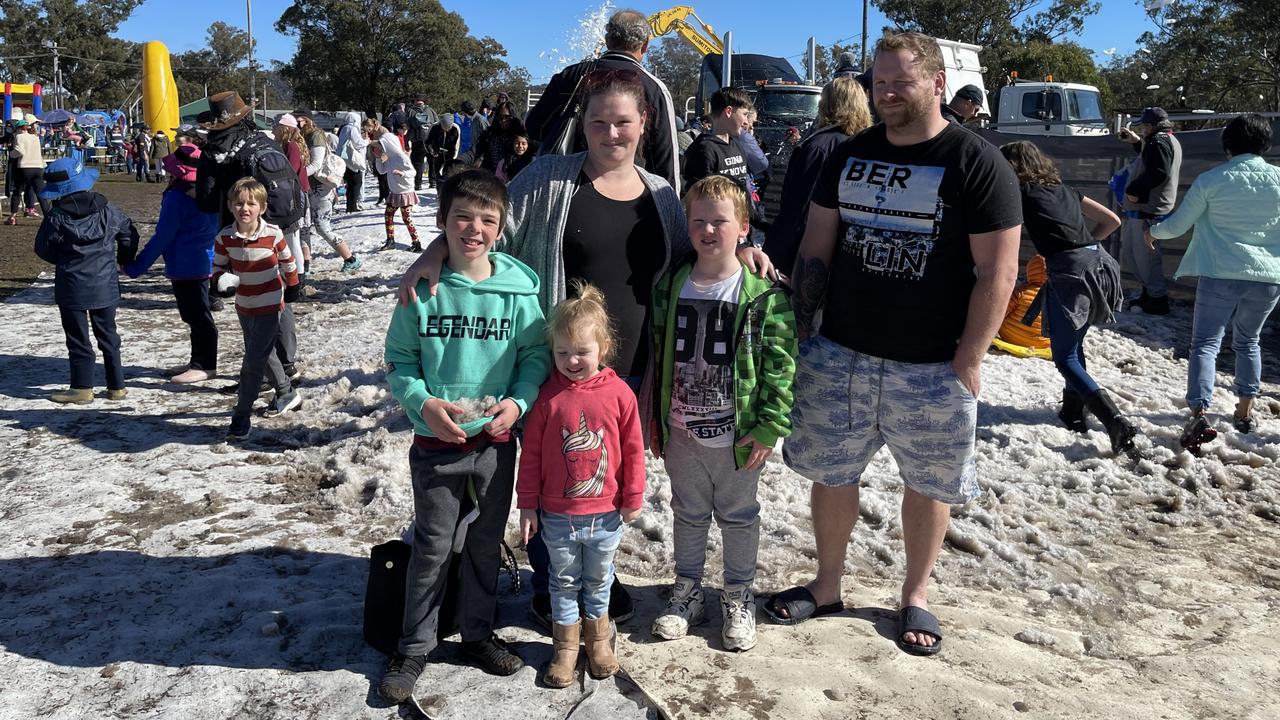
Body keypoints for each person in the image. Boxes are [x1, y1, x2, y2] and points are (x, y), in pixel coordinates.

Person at [397, 68, 775, 630]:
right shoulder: (550, 179)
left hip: (632, 368)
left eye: (622, 121)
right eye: (598, 121)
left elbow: (692, 256)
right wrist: (433, 252)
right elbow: (485, 223)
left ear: (643, 123)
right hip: (561, 364)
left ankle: (594, 575)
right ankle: (556, 583)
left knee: (603, 467)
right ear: (584, 124)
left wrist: (741, 253)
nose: (610, 133)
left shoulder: (662, 194)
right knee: (557, 468)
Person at [774, 32, 1022, 657]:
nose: (886, 93)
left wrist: (970, 356)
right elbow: (816, 247)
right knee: (832, 475)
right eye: (878, 82)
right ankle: (827, 585)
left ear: (938, 83)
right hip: (842, 353)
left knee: (930, 484)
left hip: (934, 363)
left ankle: (916, 593)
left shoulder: (975, 162)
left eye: (900, 82)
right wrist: (806, 329)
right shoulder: (848, 154)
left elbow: (999, 271)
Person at [379, 169, 550, 702]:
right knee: (431, 546)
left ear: (500, 228)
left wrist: (518, 402)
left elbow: (535, 355)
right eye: (462, 217)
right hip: (436, 444)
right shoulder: (421, 290)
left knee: (484, 543)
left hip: (496, 445)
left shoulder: (518, 292)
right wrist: (422, 404)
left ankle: (476, 632)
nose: (473, 229)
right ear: (442, 223)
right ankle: (414, 645)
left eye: (486, 220)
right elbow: (399, 360)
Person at [649, 175, 798, 653]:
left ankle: (738, 594)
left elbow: (781, 364)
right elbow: (657, 352)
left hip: (737, 433)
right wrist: (655, 415)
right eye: (699, 222)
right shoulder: (672, 283)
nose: (709, 230)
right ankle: (687, 591)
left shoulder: (762, 293)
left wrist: (769, 426)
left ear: (744, 228)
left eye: (720, 221)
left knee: (738, 515)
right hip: (682, 428)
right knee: (687, 513)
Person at [516, 281, 644, 687]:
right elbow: (532, 455)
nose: (572, 361)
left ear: (603, 349)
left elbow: (633, 448)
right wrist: (528, 504)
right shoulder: (546, 398)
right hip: (557, 515)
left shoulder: (620, 394)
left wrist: (633, 494)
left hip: (605, 513)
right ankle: (566, 648)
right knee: (563, 580)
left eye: (582, 352)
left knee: (599, 578)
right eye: (562, 352)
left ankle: (599, 640)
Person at [1144, 114, 1280, 451]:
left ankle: (1199, 411)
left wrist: (1153, 232)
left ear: (1227, 145)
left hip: (1220, 273)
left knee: (1205, 343)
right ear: (1265, 144)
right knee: (1249, 341)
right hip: (1267, 278)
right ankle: (1245, 411)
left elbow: (1178, 225)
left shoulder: (1212, 180)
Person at [999, 141, 1135, 454]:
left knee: (1065, 357)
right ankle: (1073, 411)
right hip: (1100, 265)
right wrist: (1083, 246)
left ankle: (1114, 420)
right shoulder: (1065, 189)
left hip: (1071, 274)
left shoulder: (1021, 194)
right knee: (1074, 345)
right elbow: (1112, 221)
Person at [524, 8, 681, 192]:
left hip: (562, 187)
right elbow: (664, 158)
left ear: (607, 41)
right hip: (627, 194)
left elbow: (535, 127)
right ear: (645, 45)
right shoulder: (653, 88)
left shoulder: (570, 76)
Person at [33, 156, 139, 404]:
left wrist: (64, 260)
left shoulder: (55, 217)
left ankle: (82, 388)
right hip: (105, 284)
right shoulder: (108, 210)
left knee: (78, 338)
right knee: (109, 336)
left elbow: (42, 248)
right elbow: (128, 232)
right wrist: (124, 258)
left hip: (71, 287)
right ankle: (117, 386)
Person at [123, 144, 222, 385]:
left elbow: (163, 236)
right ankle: (199, 360)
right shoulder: (211, 194)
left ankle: (204, 365)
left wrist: (136, 267)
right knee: (197, 315)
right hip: (205, 259)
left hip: (186, 264)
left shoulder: (177, 197)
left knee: (197, 316)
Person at [212, 178, 302, 441]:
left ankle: (241, 417)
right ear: (230, 206)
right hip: (245, 305)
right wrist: (219, 282)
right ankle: (286, 392)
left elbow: (288, 262)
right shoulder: (225, 237)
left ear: (262, 208)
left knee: (252, 363)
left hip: (271, 304)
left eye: (251, 204)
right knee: (263, 353)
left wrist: (293, 286)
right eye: (239, 203)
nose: (245, 209)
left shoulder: (272, 234)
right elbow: (217, 267)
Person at [764, 76, 873, 272]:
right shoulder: (866, 145)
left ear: (827, 104)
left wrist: (774, 257)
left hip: (808, 258)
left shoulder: (819, 148)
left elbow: (798, 210)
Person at [1116, 106, 1182, 315]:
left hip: (1147, 210)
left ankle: (1157, 299)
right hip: (1149, 209)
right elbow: (1152, 159)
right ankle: (1149, 293)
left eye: (1144, 126)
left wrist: (1135, 189)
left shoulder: (1158, 142)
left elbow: (1158, 171)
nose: (1142, 130)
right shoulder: (1165, 141)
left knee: (1145, 258)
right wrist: (1137, 143)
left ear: (1151, 126)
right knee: (1138, 256)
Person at [295, 111, 361, 272]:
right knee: (303, 227)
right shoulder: (299, 136)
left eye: (299, 120)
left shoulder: (316, 135)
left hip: (321, 187)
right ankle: (306, 265)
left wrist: (296, 176)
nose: (297, 124)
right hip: (307, 187)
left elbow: (317, 164)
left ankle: (350, 258)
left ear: (306, 119)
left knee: (322, 227)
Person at [682, 87, 753, 196]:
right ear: (728, 111)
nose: (746, 122)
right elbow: (700, 198)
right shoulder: (704, 150)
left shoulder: (737, 144)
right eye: (744, 114)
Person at [368, 118, 421, 252]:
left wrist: (402, 174)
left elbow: (413, 172)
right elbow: (381, 170)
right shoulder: (390, 158)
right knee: (388, 215)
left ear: (388, 146)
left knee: (406, 218)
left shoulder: (400, 156)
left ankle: (416, 243)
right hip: (395, 193)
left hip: (405, 193)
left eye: (380, 147)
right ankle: (390, 240)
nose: (379, 149)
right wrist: (378, 158)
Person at [6, 119, 48, 224]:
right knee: (41, 193)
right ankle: (48, 216)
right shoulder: (35, 138)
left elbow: (20, 151)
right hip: (38, 168)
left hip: (25, 167)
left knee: (17, 191)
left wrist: (11, 153)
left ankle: (12, 217)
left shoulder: (19, 137)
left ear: (19, 129)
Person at [473, 101, 525, 178]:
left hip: (514, 179)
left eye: (507, 117)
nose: (503, 121)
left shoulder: (520, 136)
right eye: (500, 117)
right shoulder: (489, 134)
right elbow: (474, 150)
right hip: (492, 180)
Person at [336, 111, 369, 213]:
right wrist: (367, 141)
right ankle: (353, 206)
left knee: (349, 184)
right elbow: (358, 143)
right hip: (352, 160)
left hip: (344, 159)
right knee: (357, 183)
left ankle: (349, 206)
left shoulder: (343, 128)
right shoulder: (352, 128)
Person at [425, 114, 460, 188]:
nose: (446, 130)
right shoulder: (434, 127)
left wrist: (453, 158)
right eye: (444, 128)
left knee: (449, 174)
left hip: (450, 154)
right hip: (437, 153)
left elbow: (456, 146)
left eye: (448, 129)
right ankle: (439, 191)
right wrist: (431, 151)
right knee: (437, 174)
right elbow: (427, 141)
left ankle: (448, 191)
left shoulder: (455, 128)